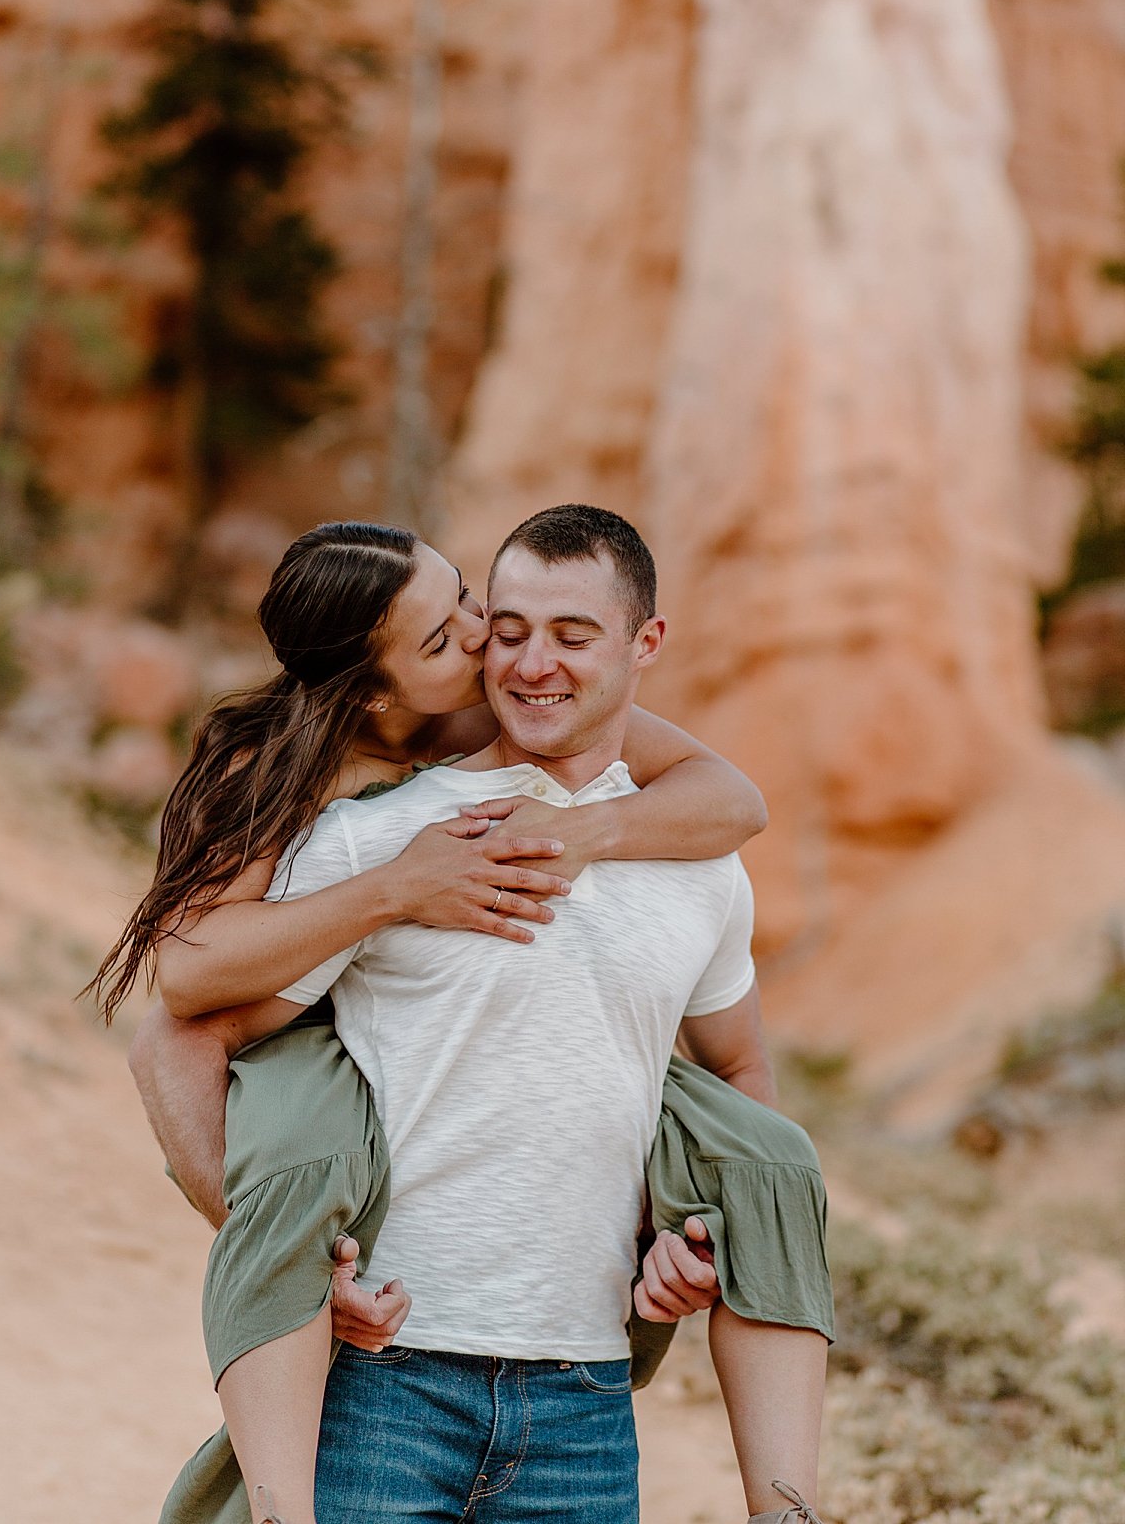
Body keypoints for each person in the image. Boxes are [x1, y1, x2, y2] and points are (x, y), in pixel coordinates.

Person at [101, 512, 831, 1524]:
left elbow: (732, 810)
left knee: (766, 1153)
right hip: (383, 1351)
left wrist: (583, 835)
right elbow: (179, 1003)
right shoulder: (317, 802)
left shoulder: (571, 763)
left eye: (472, 604)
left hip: (580, 1389)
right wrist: (397, 889)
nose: (503, 650)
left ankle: (790, 1504)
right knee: (301, 1128)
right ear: (378, 685)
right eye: (460, 635)